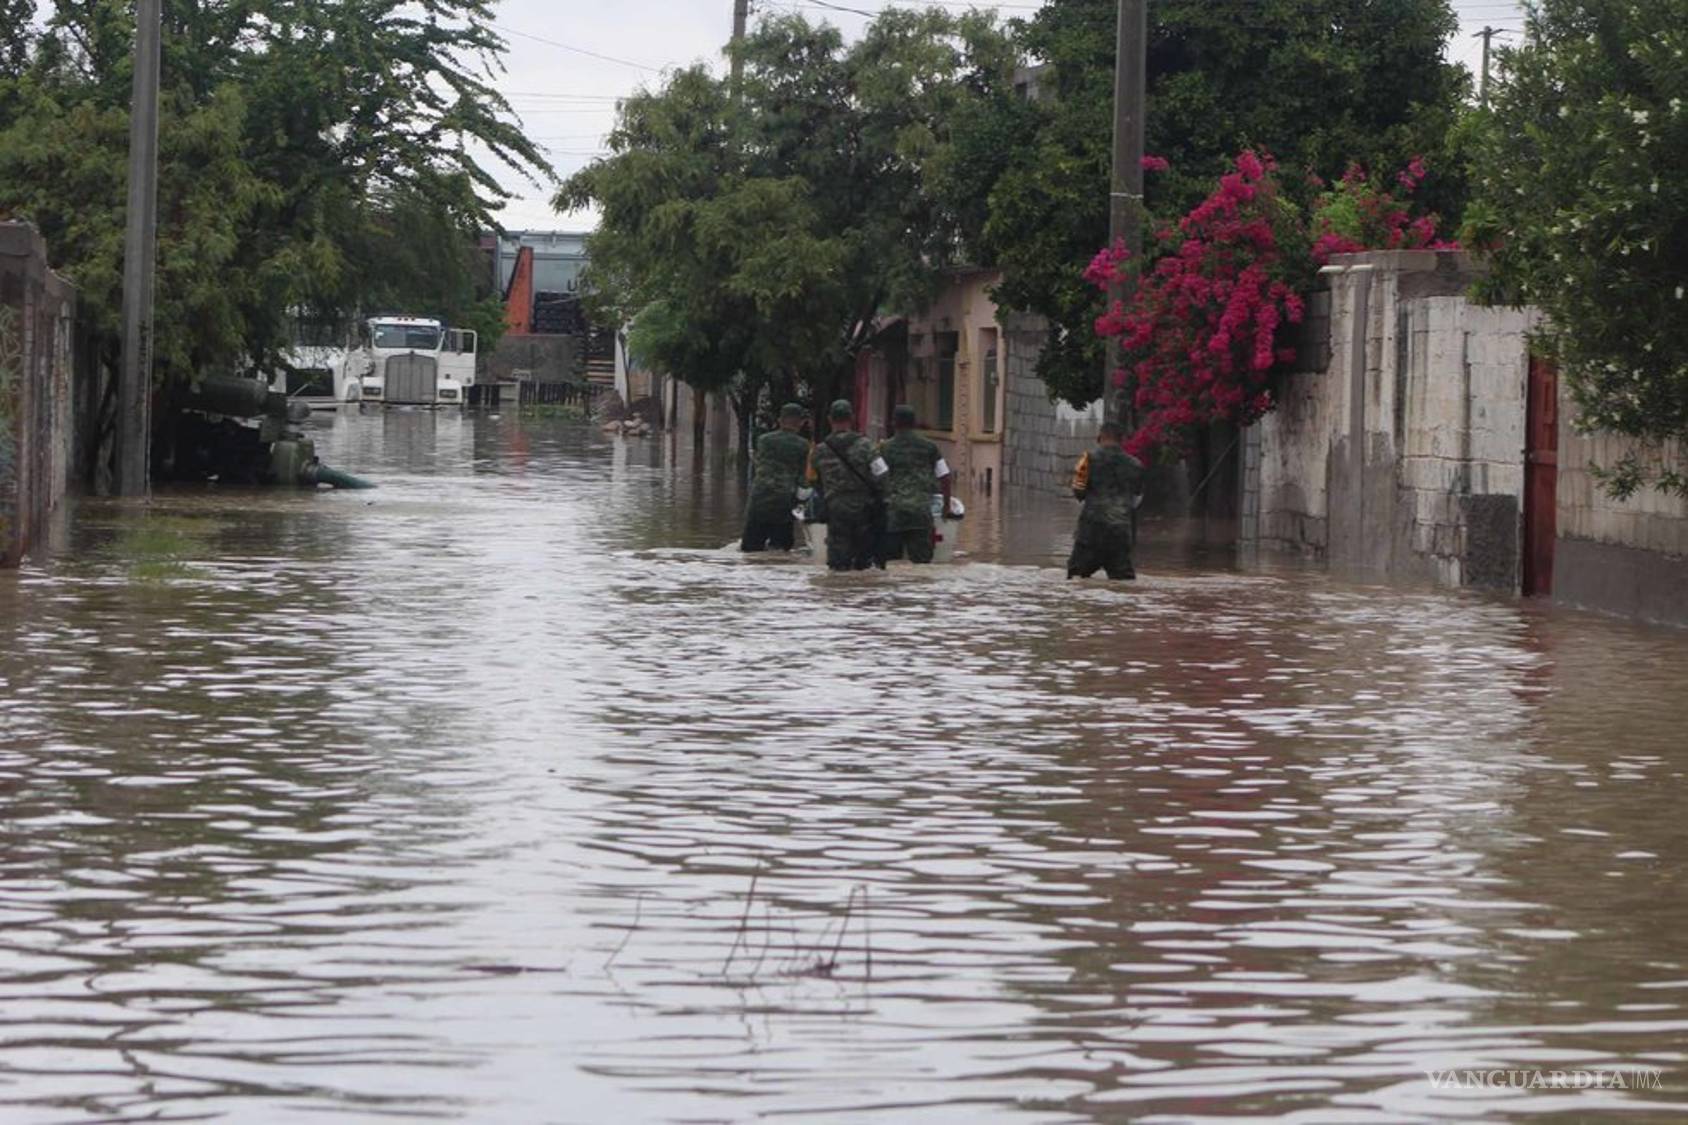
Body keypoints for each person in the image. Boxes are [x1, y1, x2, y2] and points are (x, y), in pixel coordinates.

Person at [807, 399, 888, 571]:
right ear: (852, 417)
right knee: (864, 564)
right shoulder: (867, 446)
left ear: (830, 419)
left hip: (835, 510)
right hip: (864, 509)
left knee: (838, 566)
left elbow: (813, 481)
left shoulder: (819, 450)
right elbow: (882, 475)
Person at [1067, 421, 1145, 580]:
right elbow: (1137, 495)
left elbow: (1078, 492)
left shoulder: (1087, 460)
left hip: (1091, 530)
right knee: (1123, 582)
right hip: (1121, 531)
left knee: (1076, 577)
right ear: (1122, 439)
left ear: (1099, 437)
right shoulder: (1136, 465)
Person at [877, 404, 952, 564]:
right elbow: (945, 476)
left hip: (893, 515)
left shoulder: (884, 449)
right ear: (915, 423)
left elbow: (876, 478)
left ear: (893, 423)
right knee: (922, 568)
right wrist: (946, 506)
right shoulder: (930, 447)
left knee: (891, 567)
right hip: (921, 514)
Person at [740, 403, 812, 553]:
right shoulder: (803, 445)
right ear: (800, 422)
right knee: (780, 550)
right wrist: (802, 503)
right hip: (784, 502)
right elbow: (803, 479)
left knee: (750, 549)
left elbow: (758, 463)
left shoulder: (763, 440)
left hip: (759, 498)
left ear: (780, 420)